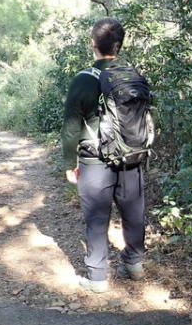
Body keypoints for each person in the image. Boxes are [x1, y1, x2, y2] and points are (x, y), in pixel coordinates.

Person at [61, 17, 146, 293]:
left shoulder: (83, 80)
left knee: (97, 217)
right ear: (119, 45)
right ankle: (134, 264)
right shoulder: (134, 77)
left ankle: (98, 277)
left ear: (93, 44)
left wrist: (68, 163)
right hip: (132, 156)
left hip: (95, 161)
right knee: (133, 211)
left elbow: (71, 125)